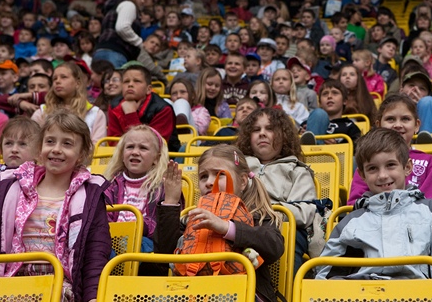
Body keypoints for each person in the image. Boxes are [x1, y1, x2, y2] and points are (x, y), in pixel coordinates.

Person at [317, 128, 432, 302]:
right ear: (362, 175)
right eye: (372, 168)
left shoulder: (430, 212)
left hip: (419, 296)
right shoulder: (352, 221)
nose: (383, 175)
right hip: (366, 296)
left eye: (391, 165)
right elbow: (325, 277)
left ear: (407, 167)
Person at [0, 111, 111, 302]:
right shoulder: (12, 187)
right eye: (50, 141)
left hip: (58, 283)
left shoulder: (89, 196)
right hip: (11, 279)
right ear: (39, 148)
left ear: (82, 154)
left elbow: (96, 252)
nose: (56, 149)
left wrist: (93, 297)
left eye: (67, 144)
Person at [155, 145, 283, 300]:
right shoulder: (192, 219)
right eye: (203, 176)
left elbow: (274, 246)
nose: (209, 182)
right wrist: (170, 201)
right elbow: (164, 256)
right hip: (194, 292)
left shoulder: (259, 216)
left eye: (219, 174)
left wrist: (227, 228)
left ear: (242, 181)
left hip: (244, 293)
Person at [235, 107, 316, 271]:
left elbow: (304, 212)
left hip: (281, 229)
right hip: (242, 225)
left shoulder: (297, 170)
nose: (262, 133)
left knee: (293, 238)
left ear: (284, 136)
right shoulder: (238, 167)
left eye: (270, 129)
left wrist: (265, 210)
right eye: (256, 130)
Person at [347, 95, 432, 205]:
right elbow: (355, 204)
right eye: (390, 119)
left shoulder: (431, 162)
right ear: (378, 125)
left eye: (405, 119)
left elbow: (431, 204)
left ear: (416, 125)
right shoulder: (368, 162)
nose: (397, 125)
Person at [103, 125, 182, 255]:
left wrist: (137, 227)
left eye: (143, 148)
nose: (135, 152)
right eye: (130, 147)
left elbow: (163, 229)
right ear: (122, 155)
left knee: (135, 244)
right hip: (113, 239)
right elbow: (103, 217)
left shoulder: (163, 186)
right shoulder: (110, 184)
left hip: (145, 242)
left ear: (156, 158)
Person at [108, 63, 180, 152]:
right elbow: (113, 142)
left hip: (161, 159)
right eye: (126, 81)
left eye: (137, 81)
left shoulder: (163, 109)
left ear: (148, 89)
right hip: (124, 155)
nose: (130, 84)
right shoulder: (114, 105)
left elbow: (151, 146)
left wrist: (131, 114)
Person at [31, 62, 107, 145]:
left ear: (77, 83)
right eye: (54, 79)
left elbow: (98, 146)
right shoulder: (42, 112)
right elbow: (32, 143)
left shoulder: (95, 113)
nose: (57, 81)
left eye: (63, 77)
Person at [93, 0, 145, 68]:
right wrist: (139, 42)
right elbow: (122, 27)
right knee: (115, 80)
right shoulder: (129, 4)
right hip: (116, 53)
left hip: (100, 51)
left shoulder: (112, 8)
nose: (143, 1)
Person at [301, 79, 362, 147]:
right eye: (325, 94)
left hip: (336, 156)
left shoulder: (350, 126)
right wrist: (300, 135)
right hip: (308, 156)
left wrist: (336, 146)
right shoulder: (308, 123)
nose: (329, 96)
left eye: (335, 93)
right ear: (320, 102)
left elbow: (357, 151)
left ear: (344, 101)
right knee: (319, 113)